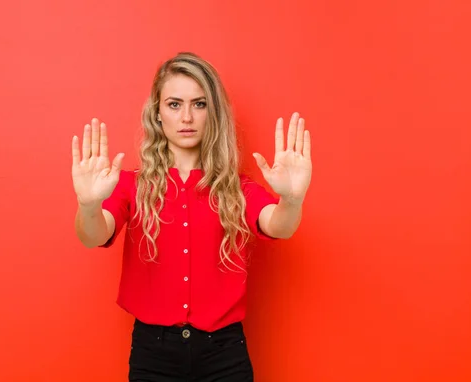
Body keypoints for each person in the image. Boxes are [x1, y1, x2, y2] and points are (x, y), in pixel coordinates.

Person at [71, 52, 312, 382]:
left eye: (199, 104)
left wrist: (292, 199)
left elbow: (278, 225)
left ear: (213, 113)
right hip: (152, 354)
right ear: (157, 113)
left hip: (224, 354)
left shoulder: (237, 188)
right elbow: (94, 235)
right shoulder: (130, 185)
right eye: (174, 104)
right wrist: (88, 205)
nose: (186, 116)